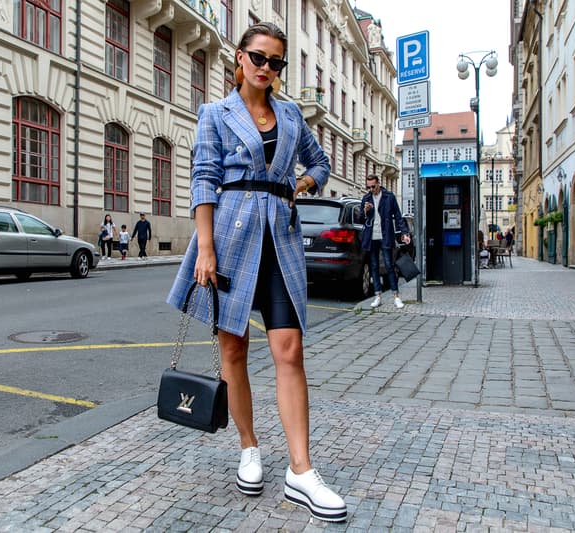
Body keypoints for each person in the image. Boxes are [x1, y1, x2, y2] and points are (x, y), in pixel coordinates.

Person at [166, 22, 347, 523]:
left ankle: (301, 471)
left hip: (281, 239)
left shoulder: (290, 115)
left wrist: (302, 184)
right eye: (259, 58)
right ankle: (249, 446)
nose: (267, 68)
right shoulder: (214, 113)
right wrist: (205, 249)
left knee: (289, 348)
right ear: (239, 59)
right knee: (233, 347)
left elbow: (322, 160)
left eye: (276, 62)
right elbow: (203, 179)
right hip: (228, 238)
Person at [359, 174, 410, 309]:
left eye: (373, 186)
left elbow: (398, 216)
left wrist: (404, 233)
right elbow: (361, 219)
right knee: (374, 266)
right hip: (371, 237)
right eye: (368, 187)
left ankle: (396, 296)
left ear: (378, 184)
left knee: (389, 265)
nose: (371, 189)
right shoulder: (366, 198)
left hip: (385, 235)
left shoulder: (389, 197)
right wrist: (365, 211)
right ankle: (377, 296)